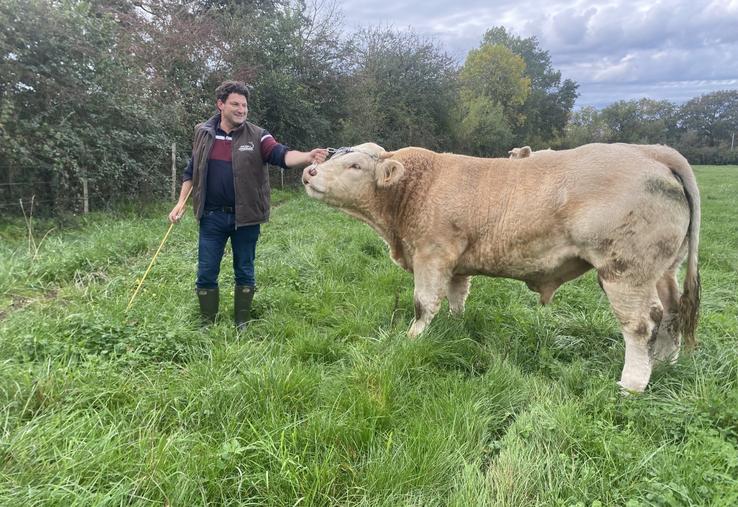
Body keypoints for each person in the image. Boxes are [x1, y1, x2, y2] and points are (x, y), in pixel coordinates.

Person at [168, 80, 327, 328]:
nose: (241, 109)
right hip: (211, 217)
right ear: (220, 104)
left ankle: (241, 322)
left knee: (244, 270)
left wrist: (306, 156)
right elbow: (192, 171)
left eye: (244, 105)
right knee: (206, 272)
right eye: (235, 104)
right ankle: (207, 324)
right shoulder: (203, 133)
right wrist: (180, 203)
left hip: (246, 217)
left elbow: (281, 154)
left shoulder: (258, 135)